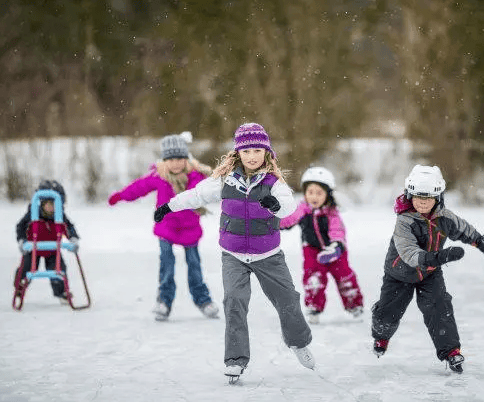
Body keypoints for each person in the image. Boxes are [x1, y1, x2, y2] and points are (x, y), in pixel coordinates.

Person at [154, 122, 315, 381]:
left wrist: (275, 205)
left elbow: (288, 205)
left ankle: (298, 342)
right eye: (247, 151)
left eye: (257, 151)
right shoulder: (224, 181)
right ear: (238, 153)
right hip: (234, 255)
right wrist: (169, 206)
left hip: (268, 256)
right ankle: (235, 360)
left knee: (288, 300)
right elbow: (196, 195)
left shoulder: (274, 182)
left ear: (267, 153)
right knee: (234, 302)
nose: (252, 156)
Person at [371, 165, 484, 374]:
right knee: (387, 314)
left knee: (440, 307)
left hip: (430, 274)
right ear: (409, 195)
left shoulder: (445, 217)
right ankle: (381, 337)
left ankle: (451, 352)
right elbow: (410, 253)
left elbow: (464, 230)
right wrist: (440, 256)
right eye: (418, 197)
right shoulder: (404, 221)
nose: (423, 202)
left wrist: (482, 243)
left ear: (438, 198)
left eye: (429, 197)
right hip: (399, 275)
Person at [108, 131, 219, 321]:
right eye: (171, 159)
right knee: (167, 266)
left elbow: (214, 190)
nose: (176, 163)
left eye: (180, 158)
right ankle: (164, 302)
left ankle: (203, 300)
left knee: (194, 266)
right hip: (166, 228)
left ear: (186, 159)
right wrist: (120, 196)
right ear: (164, 160)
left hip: (190, 228)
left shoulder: (196, 177)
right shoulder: (159, 176)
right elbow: (138, 188)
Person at [280, 166, 364, 324]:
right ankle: (314, 306)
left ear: (328, 194)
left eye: (319, 193)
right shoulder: (302, 209)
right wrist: (274, 222)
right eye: (310, 192)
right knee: (313, 276)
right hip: (311, 249)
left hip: (334, 250)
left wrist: (336, 246)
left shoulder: (332, 212)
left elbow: (337, 230)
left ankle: (354, 304)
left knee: (344, 276)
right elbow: (289, 220)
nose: (314, 197)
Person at [15, 180, 80, 302]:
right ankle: (20, 286)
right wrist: (22, 241)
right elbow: (21, 227)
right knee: (26, 267)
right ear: (41, 203)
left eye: (56, 204)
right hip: (33, 248)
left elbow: (69, 227)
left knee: (58, 268)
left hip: (52, 249)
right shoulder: (32, 215)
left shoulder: (60, 216)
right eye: (49, 204)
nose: (52, 208)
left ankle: (62, 292)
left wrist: (73, 239)